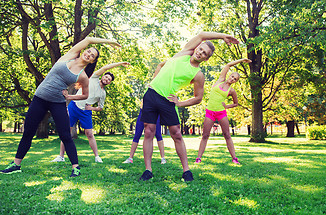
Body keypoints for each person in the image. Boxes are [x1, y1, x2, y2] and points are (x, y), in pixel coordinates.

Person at [0, 37, 120, 177]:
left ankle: (76, 168)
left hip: (57, 103)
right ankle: (16, 164)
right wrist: (108, 42)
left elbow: (85, 95)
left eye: (92, 56)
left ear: (92, 61)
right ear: (84, 51)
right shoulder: (69, 56)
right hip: (39, 99)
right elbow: (88, 39)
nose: (88, 54)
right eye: (88, 51)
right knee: (28, 132)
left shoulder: (83, 76)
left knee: (65, 135)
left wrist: (69, 97)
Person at [139, 31, 239, 182]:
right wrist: (223, 36)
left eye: (204, 53)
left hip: (168, 100)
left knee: (176, 134)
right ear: (197, 47)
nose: (200, 53)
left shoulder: (198, 74)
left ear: (206, 58)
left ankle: (186, 170)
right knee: (149, 131)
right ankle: (148, 170)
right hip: (151, 95)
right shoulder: (184, 52)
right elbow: (202, 34)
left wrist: (179, 103)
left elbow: (198, 98)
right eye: (200, 49)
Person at [51, 61, 130, 164]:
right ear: (103, 77)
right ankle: (61, 156)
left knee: (89, 134)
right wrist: (119, 64)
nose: (106, 79)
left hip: (85, 112)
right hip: (74, 106)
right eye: (106, 77)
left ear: (109, 83)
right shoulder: (94, 78)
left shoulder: (103, 93)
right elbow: (106, 67)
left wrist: (91, 108)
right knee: (67, 132)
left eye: (109, 80)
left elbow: (100, 108)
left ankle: (97, 156)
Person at [195, 59, 251, 164]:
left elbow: (236, 103)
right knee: (205, 135)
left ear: (235, 81)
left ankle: (234, 158)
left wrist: (227, 106)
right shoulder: (220, 79)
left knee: (227, 135)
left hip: (221, 113)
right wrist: (243, 60)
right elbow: (228, 64)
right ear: (229, 75)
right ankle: (198, 158)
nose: (232, 79)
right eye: (232, 76)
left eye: (235, 79)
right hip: (210, 112)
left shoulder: (231, 90)